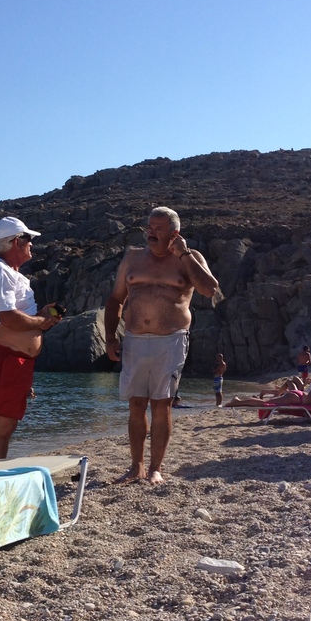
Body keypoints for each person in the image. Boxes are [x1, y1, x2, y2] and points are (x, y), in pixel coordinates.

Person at [109, 206, 221, 484]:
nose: (150, 232)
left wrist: (184, 254)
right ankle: (136, 466)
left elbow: (210, 289)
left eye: (158, 228)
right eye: (149, 227)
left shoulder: (190, 258)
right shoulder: (133, 258)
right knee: (136, 404)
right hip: (134, 338)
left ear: (175, 233)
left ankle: (155, 468)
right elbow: (115, 300)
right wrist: (110, 337)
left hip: (171, 340)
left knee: (161, 405)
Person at [0, 216, 59, 462]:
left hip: (13, 361)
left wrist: (40, 317)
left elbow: (15, 317)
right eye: (28, 239)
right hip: (5, 359)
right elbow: (8, 318)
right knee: (0, 426)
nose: (32, 244)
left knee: (5, 426)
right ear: (15, 242)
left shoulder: (8, 274)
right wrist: (42, 322)